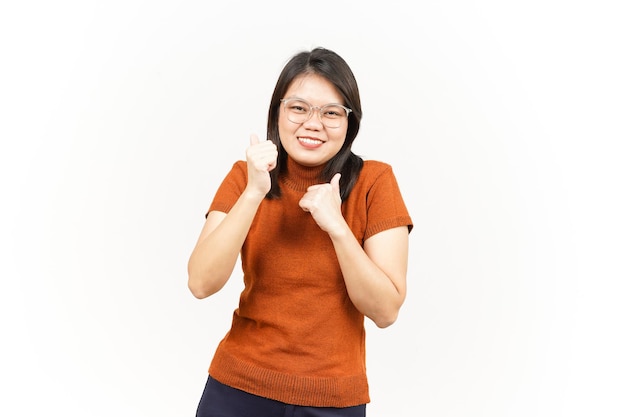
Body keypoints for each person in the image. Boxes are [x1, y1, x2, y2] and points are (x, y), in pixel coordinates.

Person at [188, 47, 413, 417]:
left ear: (350, 123)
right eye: (298, 108)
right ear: (277, 112)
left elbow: (386, 311)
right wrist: (255, 192)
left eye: (331, 112)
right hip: (237, 388)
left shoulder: (375, 182)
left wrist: (337, 227)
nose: (313, 123)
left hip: (332, 398)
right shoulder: (246, 177)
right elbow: (201, 283)